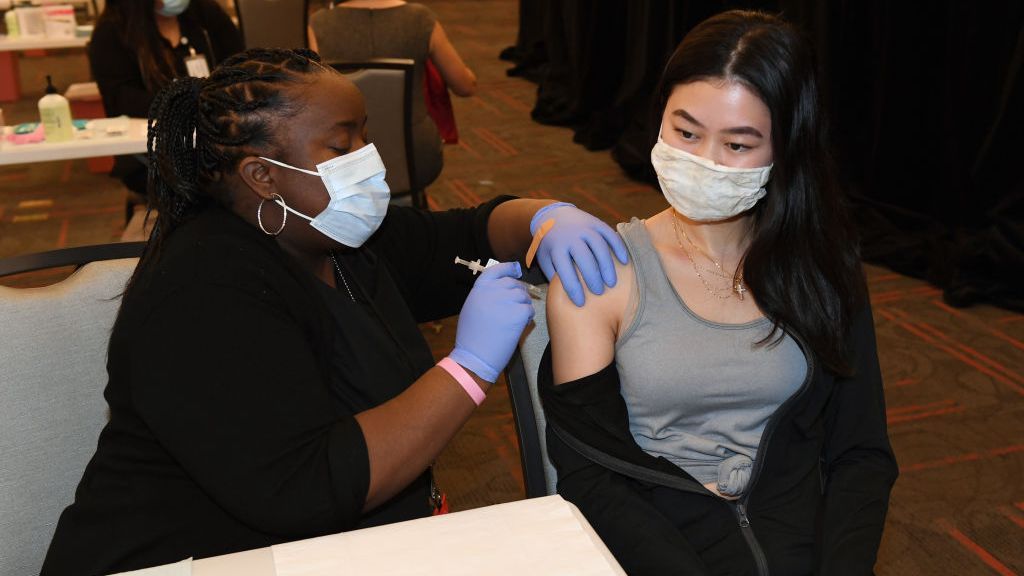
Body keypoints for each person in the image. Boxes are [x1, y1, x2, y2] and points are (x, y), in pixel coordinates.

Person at [40, 47, 628, 576]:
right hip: (186, 559)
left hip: (333, 547)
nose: (369, 160)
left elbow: (472, 232)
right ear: (262, 176)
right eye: (342, 146)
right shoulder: (200, 290)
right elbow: (307, 485)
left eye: (365, 138)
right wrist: (467, 368)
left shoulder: (336, 236)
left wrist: (544, 218)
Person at [540, 10, 898, 576]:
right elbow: (591, 471)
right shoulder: (603, 274)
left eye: (737, 145)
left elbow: (861, 454)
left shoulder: (823, 267)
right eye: (685, 132)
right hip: (658, 547)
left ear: (785, 149)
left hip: (797, 541)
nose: (703, 161)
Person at [88, 0, 243, 217]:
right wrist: (194, 103)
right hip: (155, 152)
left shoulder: (205, 17)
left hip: (219, 139)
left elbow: (240, 69)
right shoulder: (112, 33)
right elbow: (123, 99)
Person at [309, 0, 477, 193]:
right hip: (415, 155)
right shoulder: (420, 19)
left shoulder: (318, 23)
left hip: (344, 156)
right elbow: (465, 87)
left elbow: (311, 92)